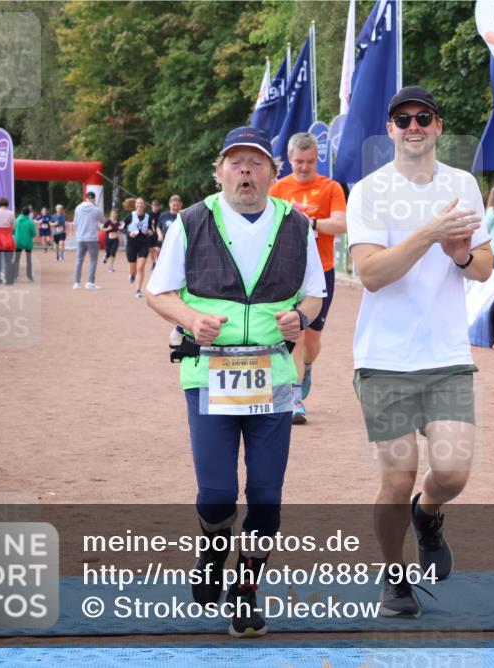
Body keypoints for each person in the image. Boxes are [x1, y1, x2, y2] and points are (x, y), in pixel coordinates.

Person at [146, 126, 325, 638]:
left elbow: (314, 293)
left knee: (267, 497)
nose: (245, 171)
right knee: (218, 493)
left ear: (273, 172)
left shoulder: (297, 225)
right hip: (209, 374)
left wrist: (300, 318)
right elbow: (158, 292)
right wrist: (188, 318)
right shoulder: (190, 221)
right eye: (236, 162)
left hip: (274, 376)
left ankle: (246, 593)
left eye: (255, 163)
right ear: (219, 171)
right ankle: (211, 549)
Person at [347, 86, 492, 617]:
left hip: (447, 354)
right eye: (402, 118)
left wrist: (459, 256)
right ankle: (394, 576)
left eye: (422, 117)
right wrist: (429, 234)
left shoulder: (463, 185)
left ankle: (427, 514)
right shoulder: (368, 191)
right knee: (397, 474)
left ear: (437, 125)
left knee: (451, 473)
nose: (413, 126)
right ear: (389, 130)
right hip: (383, 359)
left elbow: (482, 267)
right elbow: (371, 274)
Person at [269, 132, 348, 425]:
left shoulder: (330, 188)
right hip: (289, 271)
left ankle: (308, 366)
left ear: (317, 160)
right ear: (290, 160)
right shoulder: (278, 188)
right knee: (296, 333)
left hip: (322, 270)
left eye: (310, 162)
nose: (304, 167)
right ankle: (294, 398)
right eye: (299, 162)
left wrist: (310, 222)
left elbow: (341, 223)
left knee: (312, 338)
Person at [124, 197, 155, 297]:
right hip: (131, 243)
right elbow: (124, 229)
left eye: (142, 203)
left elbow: (151, 229)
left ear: (145, 205)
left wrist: (150, 232)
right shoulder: (130, 216)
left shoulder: (148, 217)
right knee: (133, 267)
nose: (140, 205)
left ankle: (138, 290)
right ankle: (132, 275)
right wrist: (129, 233)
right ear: (135, 205)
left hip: (144, 243)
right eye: (138, 203)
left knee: (141, 267)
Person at [72, 192, 103, 289]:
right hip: (92, 238)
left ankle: (76, 283)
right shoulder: (96, 210)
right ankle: (90, 282)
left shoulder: (78, 208)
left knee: (79, 260)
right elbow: (104, 221)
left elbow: (75, 223)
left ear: (85, 198)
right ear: (94, 199)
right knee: (93, 260)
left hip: (80, 238)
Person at [13, 206, 37, 283]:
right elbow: (34, 233)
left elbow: (13, 231)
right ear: (29, 213)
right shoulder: (30, 222)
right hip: (28, 243)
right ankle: (29, 276)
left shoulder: (16, 221)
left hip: (18, 242)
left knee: (16, 259)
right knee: (28, 260)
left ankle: (14, 276)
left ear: (21, 212)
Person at [148, 199, 162, 268]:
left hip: (159, 235)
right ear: (151, 206)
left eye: (157, 205)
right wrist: (148, 230)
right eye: (154, 205)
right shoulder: (148, 215)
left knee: (158, 250)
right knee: (151, 250)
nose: (155, 207)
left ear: (159, 207)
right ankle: (154, 263)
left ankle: (158, 263)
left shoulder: (161, 215)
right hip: (150, 235)